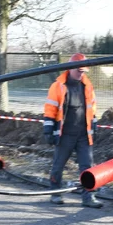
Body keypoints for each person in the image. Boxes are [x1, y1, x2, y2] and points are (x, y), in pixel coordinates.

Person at [43, 52, 102, 208]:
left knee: (87, 167)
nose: (81, 73)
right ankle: (55, 193)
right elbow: (50, 109)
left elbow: (92, 108)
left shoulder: (87, 86)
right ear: (70, 68)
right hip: (65, 134)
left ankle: (89, 197)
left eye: (83, 71)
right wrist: (48, 130)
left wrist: (93, 125)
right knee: (58, 164)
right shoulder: (58, 86)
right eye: (79, 70)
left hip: (83, 134)